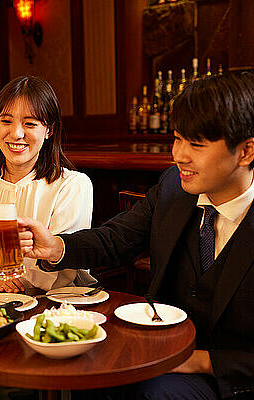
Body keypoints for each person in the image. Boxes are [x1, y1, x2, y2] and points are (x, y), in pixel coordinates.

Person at [19, 71, 254, 399]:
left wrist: (199, 361)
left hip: (233, 379)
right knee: (89, 371)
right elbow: (115, 239)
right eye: (177, 138)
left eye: (196, 144)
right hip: (162, 352)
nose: (179, 155)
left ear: (246, 152)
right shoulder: (175, 187)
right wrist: (56, 246)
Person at [0, 76, 95, 297]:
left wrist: (10, 283)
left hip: (52, 311)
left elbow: (64, 270)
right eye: (6, 121)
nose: (16, 134)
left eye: (30, 123)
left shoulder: (72, 186)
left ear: (49, 130)